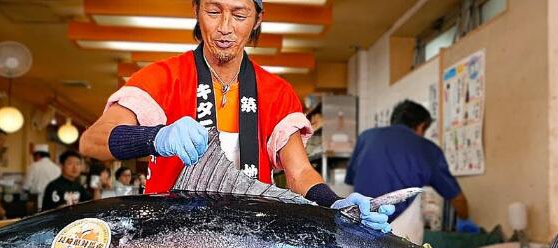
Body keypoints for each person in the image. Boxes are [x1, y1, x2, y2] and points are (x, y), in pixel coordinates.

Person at [80, 0, 393, 231]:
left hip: (252, 241)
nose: (225, 27)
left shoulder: (276, 91)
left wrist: (335, 204)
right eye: (213, 11)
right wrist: (155, 137)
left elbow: (299, 173)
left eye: (239, 14)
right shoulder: (163, 78)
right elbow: (91, 142)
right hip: (166, 241)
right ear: (195, 10)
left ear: (257, 18)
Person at [345, 100, 474, 243]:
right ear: (421, 126)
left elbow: (351, 180)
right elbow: (456, 197)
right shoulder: (427, 149)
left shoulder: (366, 137)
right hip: (400, 230)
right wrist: (464, 219)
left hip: (358, 224)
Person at [23, 144, 61, 211]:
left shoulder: (34, 166)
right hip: (54, 200)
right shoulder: (57, 168)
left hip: (37, 201)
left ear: (38, 155)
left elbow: (26, 186)